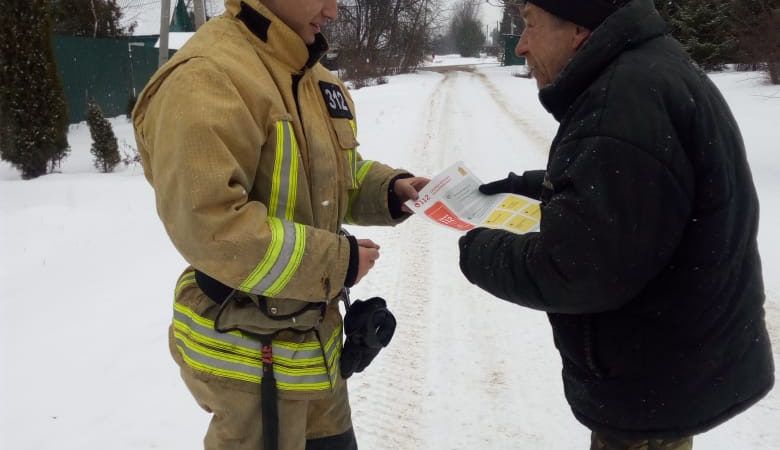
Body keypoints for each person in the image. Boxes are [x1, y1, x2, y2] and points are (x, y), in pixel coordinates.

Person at [457, 0, 774, 448]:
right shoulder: (645, 71)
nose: (522, 44)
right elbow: (634, 188)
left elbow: (575, 270)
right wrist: (538, 187)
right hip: (673, 370)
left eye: (530, 25)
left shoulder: (619, 100)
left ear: (579, 31)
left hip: (650, 386)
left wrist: (477, 250)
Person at [132, 0, 428, 449]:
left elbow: (331, 175)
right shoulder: (206, 77)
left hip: (315, 355)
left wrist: (392, 189)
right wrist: (337, 262)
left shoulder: (314, 76)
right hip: (251, 360)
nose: (333, 11)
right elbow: (213, 229)